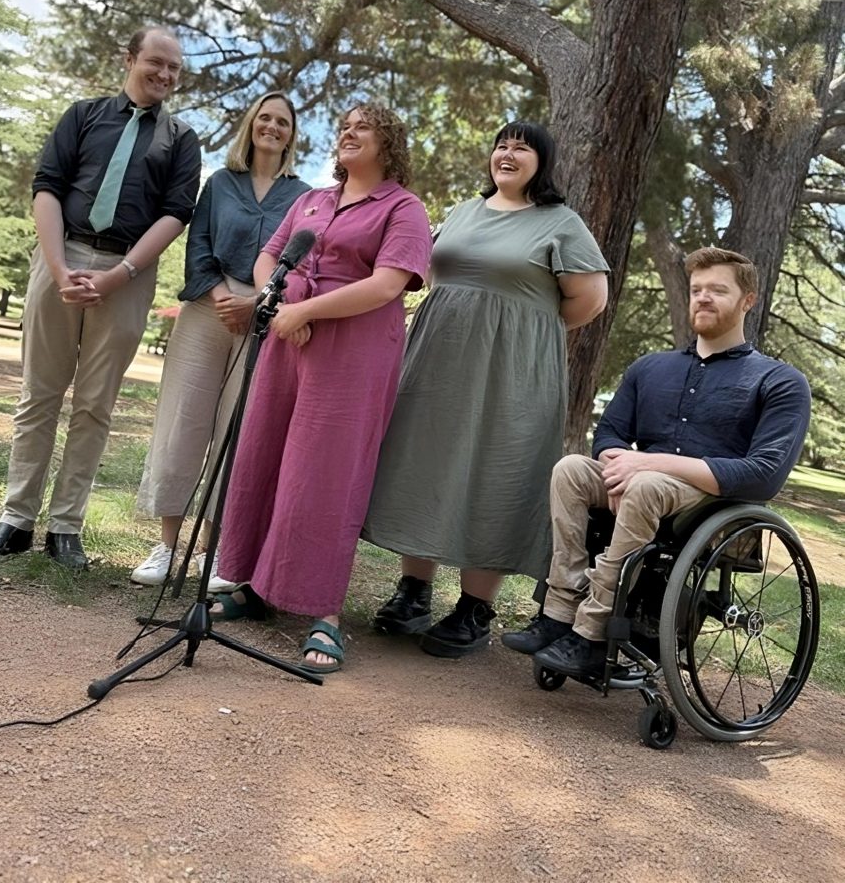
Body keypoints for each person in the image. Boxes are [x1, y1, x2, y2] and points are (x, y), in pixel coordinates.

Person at [362, 120, 609, 658]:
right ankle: (414, 590)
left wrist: (522, 326)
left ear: (541, 163)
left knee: (501, 469)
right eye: (501, 144)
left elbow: (588, 300)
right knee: (421, 460)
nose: (508, 153)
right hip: (437, 358)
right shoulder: (464, 211)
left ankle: (474, 609)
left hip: (514, 368)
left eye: (522, 147)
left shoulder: (560, 222)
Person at [211, 104, 433, 673]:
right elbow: (268, 257)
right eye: (343, 126)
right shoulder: (311, 199)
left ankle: (323, 610)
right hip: (290, 339)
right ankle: (257, 585)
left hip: (354, 352)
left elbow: (388, 285)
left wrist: (305, 308)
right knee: (266, 453)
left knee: (327, 473)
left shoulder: (404, 207)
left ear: (389, 142)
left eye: (362, 126)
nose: (348, 133)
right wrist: (286, 306)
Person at [0, 27, 201, 568]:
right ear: (130, 59)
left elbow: (176, 213)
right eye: (155, 63)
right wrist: (57, 267)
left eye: (174, 69)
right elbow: (47, 186)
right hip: (61, 256)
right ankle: (16, 521)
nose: (165, 75)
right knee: (39, 396)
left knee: (95, 405)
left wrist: (120, 274)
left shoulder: (181, 139)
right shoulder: (83, 115)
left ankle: (65, 527)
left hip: (128, 273)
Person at [527, 246, 812, 680]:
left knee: (647, 485)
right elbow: (610, 435)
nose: (702, 298)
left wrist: (647, 465)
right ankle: (558, 613)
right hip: (639, 485)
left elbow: (763, 475)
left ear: (747, 301)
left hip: (709, 500)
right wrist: (622, 468)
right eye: (697, 289)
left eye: (718, 290)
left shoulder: (779, 381)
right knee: (571, 469)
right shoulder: (650, 368)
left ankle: (593, 630)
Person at [131, 91, 310, 586]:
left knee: (239, 432)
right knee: (184, 421)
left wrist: (257, 303)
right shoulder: (219, 184)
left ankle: (213, 552)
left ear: (292, 134)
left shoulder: (304, 196)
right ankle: (167, 546)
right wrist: (219, 297)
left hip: (264, 317)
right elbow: (200, 246)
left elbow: (301, 262)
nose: (272, 127)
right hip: (205, 311)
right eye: (265, 118)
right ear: (251, 124)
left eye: (283, 122)